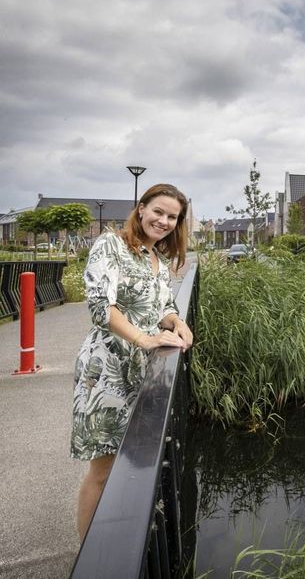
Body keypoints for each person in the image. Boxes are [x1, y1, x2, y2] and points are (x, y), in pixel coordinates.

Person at [71, 183, 194, 540]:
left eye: (173, 216)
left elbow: (164, 307)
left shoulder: (157, 259)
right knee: (103, 468)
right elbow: (100, 306)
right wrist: (145, 339)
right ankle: (91, 559)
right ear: (141, 208)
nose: (165, 220)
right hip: (107, 371)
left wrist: (178, 323)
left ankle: (118, 539)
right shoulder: (111, 244)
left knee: (133, 462)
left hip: (143, 374)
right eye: (159, 211)